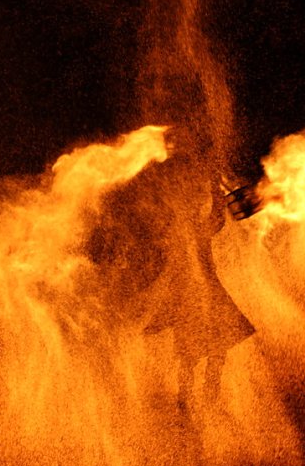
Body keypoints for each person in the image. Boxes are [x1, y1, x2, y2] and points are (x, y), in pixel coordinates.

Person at [85, 126, 254, 409]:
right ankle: (187, 397)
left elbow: (215, 220)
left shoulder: (190, 231)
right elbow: (211, 221)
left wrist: (214, 184)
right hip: (191, 296)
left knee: (214, 348)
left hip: (205, 292)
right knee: (196, 351)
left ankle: (202, 392)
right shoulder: (179, 233)